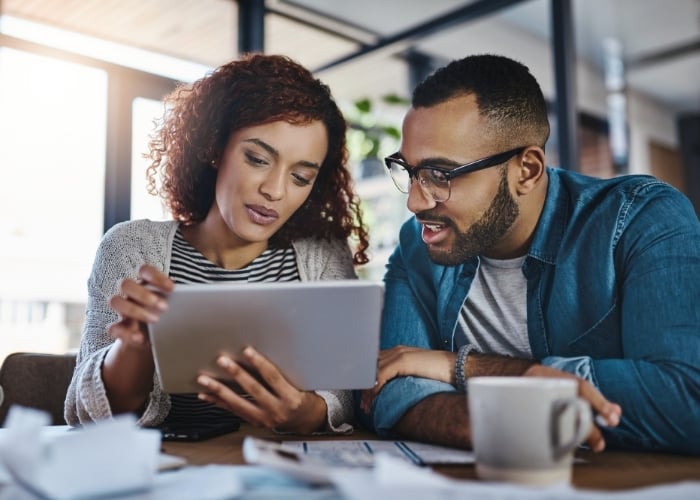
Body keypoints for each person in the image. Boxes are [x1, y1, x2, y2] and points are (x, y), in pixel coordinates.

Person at [358, 53, 700, 455]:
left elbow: (685, 401)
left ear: (528, 170)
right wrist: (516, 416)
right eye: (410, 170)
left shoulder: (642, 219)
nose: (415, 202)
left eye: (441, 175)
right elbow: (393, 390)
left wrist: (464, 368)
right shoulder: (419, 244)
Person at [65, 53, 370, 435]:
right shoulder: (132, 248)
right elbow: (86, 411)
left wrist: (306, 413)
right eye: (257, 158)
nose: (274, 191)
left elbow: (341, 395)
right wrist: (136, 350)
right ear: (214, 146)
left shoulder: (323, 257)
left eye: (301, 177)